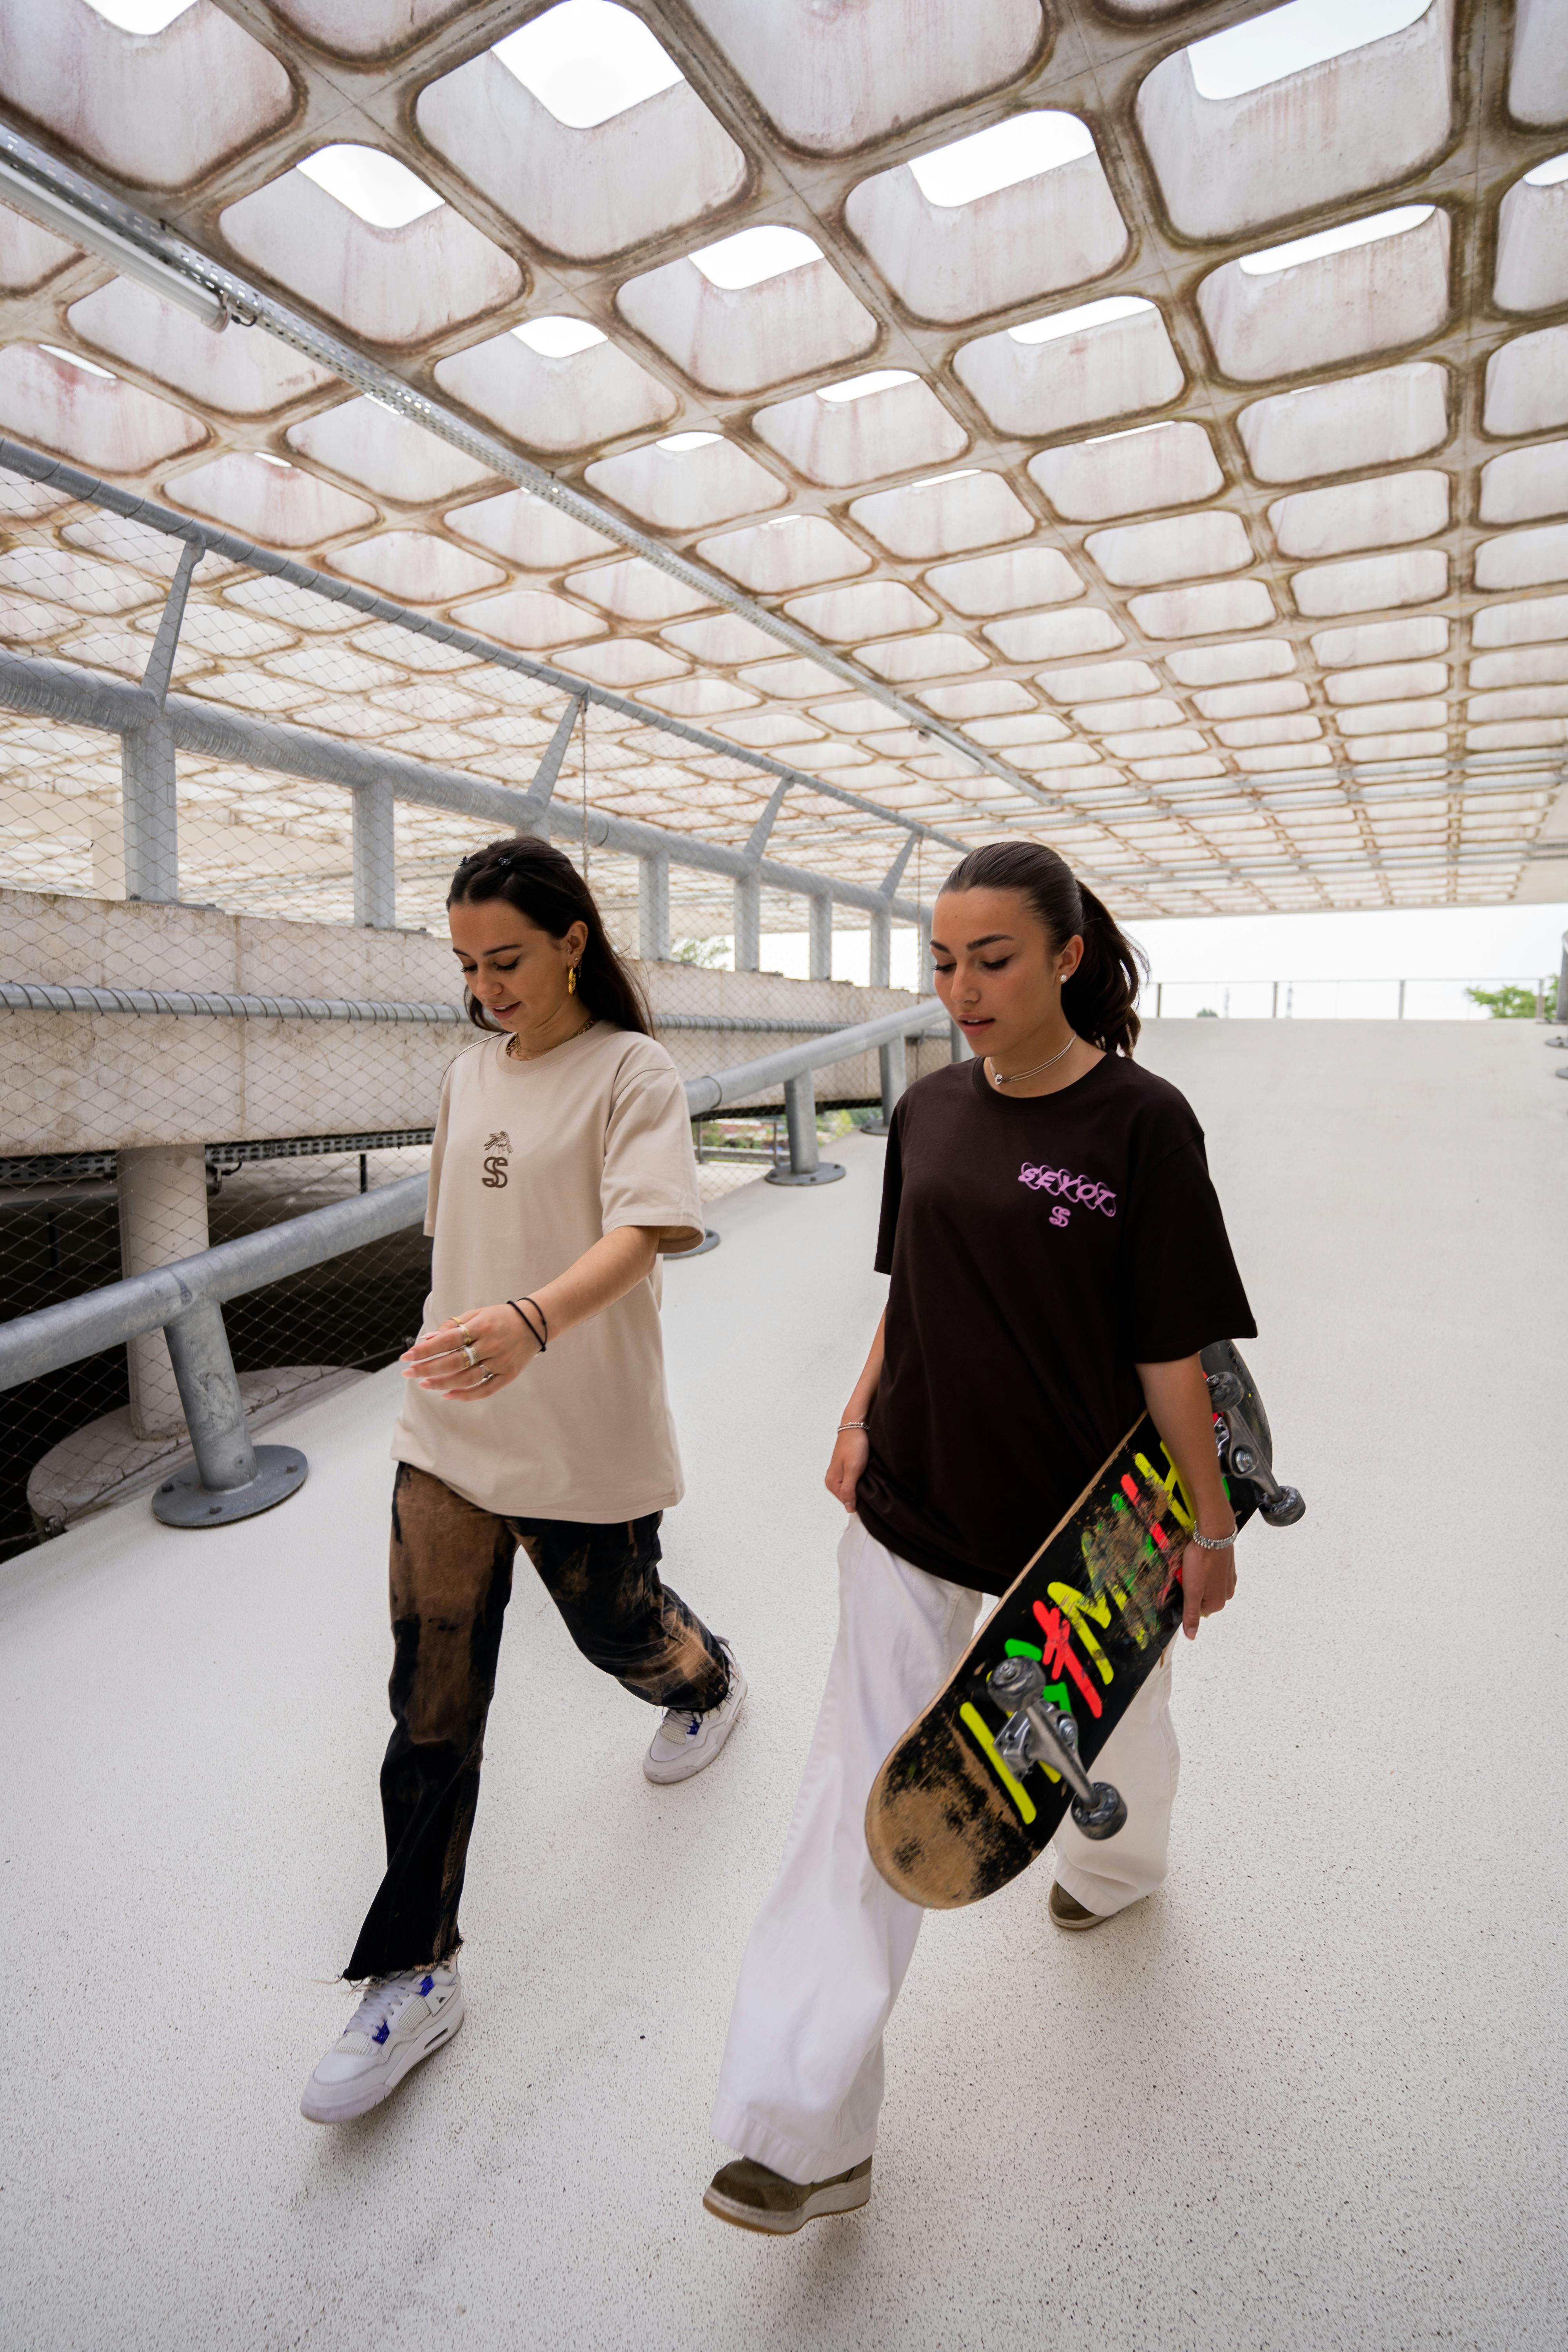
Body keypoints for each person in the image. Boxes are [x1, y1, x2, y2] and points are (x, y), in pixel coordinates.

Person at [702, 838, 1255, 2233]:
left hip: (1087, 1541)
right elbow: (910, 1288)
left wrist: (1204, 1526)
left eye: (992, 959)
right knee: (859, 1798)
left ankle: (1118, 1868)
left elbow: (1173, 1352)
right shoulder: (933, 1108)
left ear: (1068, 957)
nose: (962, 987)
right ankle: (800, 2128)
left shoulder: (1144, 1125)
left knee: (1117, 1746)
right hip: (915, 1500)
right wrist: (856, 1414)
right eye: (942, 962)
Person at [301, 835, 746, 2125]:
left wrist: (532, 1324)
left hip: (582, 1437)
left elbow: (646, 1235)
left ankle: (706, 1679)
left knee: (621, 1627)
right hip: (446, 1437)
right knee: (430, 1702)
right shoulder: (465, 1071)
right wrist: (448, 1334)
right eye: (466, 965)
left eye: (507, 959)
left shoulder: (633, 1072)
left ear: (570, 940)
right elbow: (460, 1246)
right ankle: (412, 1971)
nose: (488, 987)